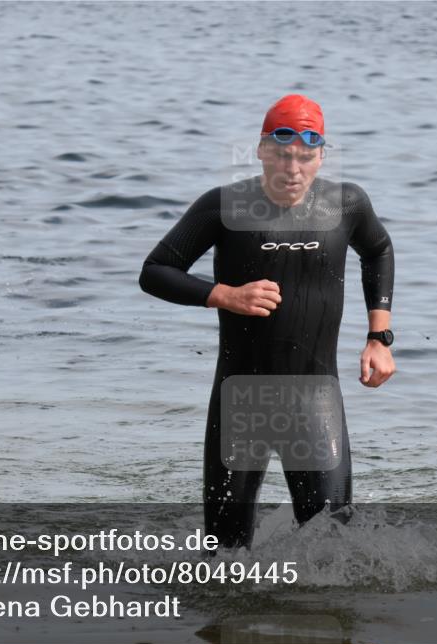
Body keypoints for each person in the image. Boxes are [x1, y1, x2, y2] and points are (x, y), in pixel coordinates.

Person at [139, 94, 396, 549]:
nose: (293, 169)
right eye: (281, 154)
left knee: (334, 544)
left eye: (306, 156)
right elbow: (155, 271)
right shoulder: (223, 206)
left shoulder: (347, 204)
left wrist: (379, 336)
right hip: (240, 403)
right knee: (224, 555)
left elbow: (378, 249)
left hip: (315, 401)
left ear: (322, 154)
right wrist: (223, 295)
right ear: (260, 150)